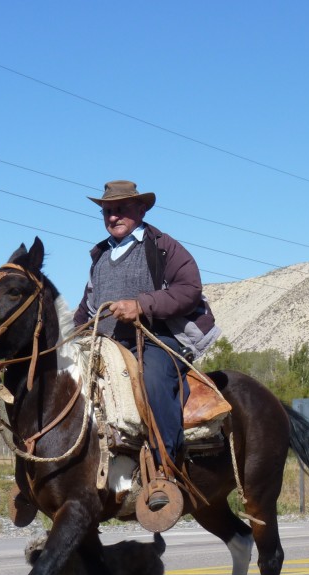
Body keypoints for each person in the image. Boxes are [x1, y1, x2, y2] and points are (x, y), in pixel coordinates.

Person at [73, 180, 220, 511]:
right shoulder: (99, 256)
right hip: (106, 344)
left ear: (140, 209)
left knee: (153, 378)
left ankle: (167, 469)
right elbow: (87, 309)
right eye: (108, 210)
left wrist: (141, 305)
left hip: (156, 338)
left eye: (121, 209)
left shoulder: (163, 247)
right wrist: (69, 335)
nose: (114, 216)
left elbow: (189, 289)